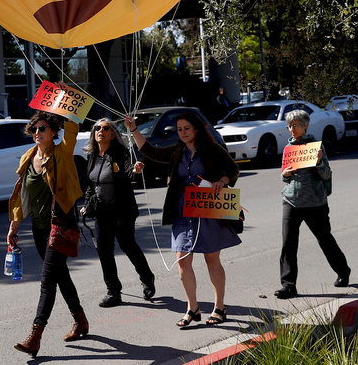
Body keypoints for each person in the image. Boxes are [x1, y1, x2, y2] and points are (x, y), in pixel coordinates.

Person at [127, 111, 240, 327]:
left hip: (208, 210)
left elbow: (233, 169)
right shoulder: (177, 151)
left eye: (186, 128)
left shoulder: (212, 148)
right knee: (182, 259)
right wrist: (133, 129)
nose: (183, 133)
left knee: (211, 259)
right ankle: (192, 307)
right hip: (182, 211)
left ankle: (219, 307)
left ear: (196, 128)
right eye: (179, 129)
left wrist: (222, 181)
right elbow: (149, 151)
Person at [8, 111, 89, 356]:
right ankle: (81, 320)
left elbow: (72, 129)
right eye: (34, 129)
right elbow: (22, 195)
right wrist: (13, 226)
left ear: (54, 131)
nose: (37, 133)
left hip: (61, 224)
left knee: (47, 282)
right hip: (39, 228)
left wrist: (66, 107)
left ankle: (35, 336)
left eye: (43, 129)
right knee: (61, 276)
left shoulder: (61, 152)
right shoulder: (28, 156)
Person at [274, 108, 350, 299]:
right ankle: (288, 285)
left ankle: (343, 271)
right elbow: (285, 176)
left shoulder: (315, 146)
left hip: (314, 203)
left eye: (295, 125)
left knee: (325, 239)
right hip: (291, 201)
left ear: (305, 126)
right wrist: (285, 174)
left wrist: (317, 162)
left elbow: (326, 174)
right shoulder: (288, 148)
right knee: (288, 244)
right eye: (289, 126)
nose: (292, 129)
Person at [81, 118, 156, 307]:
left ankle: (147, 277)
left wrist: (137, 170)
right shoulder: (92, 155)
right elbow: (91, 185)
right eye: (97, 128)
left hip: (122, 210)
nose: (101, 131)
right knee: (104, 251)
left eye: (105, 128)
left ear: (112, 134)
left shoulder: (121, 153)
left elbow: (130, 171)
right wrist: (86, 204)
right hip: (101, 212)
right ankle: (113, 292)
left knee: (128, 245)